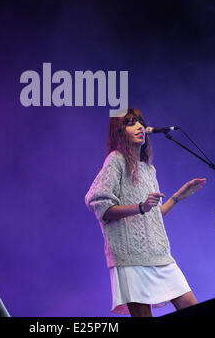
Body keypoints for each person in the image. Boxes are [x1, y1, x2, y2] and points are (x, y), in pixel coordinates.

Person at [85, 108, 206, 317]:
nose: (140, 126)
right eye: (131, 123)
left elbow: (152, 216)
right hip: (130, 257)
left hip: (159, 255)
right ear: (120, 132)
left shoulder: (149, 170)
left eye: (140, 122)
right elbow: (100, 205)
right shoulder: (115, 161)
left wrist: (178, 196)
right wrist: (140, 207)